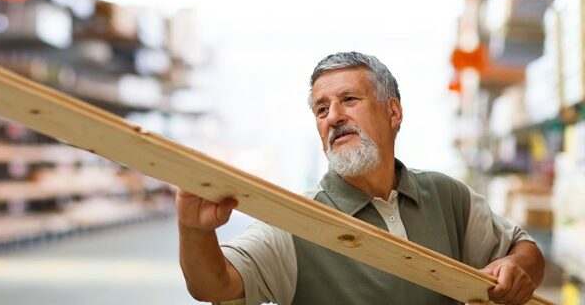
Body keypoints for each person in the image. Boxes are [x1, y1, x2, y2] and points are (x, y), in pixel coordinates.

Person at [176, 52, 545, 305]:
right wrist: (193, 229)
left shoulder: (446, 196)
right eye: (321, 109)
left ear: (393, 113)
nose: (333, 117)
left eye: (349, 100)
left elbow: (525, 249)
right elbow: (215, 284)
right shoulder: (296, 222)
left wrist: (515, 268)